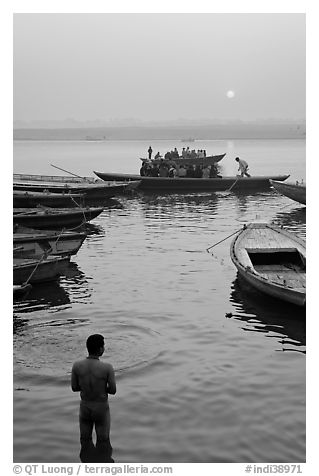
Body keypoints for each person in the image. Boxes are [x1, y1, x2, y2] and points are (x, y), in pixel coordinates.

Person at [71, 334, 116, 463]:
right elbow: (113, 390)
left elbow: (74, 388)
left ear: (88, 348)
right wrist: (101, 388)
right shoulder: (107, 367)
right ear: (101, 349)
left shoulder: (77, 366)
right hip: (101, 407)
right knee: (103, 440)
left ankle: (87, 465)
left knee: (85, 439)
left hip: (85, 407)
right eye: (104, 346)